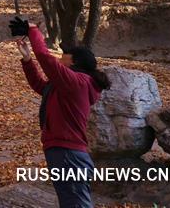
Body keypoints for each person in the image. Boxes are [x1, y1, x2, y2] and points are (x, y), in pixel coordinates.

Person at [10, 17, 111, 208]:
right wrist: (27, 59)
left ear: (74, 61)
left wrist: (33, 30)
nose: (60, 56)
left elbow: (45, 57)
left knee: (76, 204)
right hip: (63, 152)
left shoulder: (78, 82)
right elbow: (42, 86)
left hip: (69, 154)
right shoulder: (67, 85)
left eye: (65, 54)